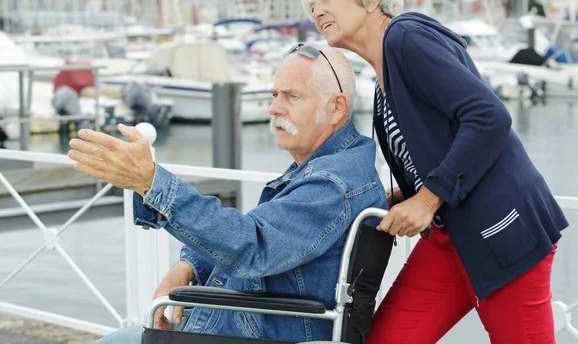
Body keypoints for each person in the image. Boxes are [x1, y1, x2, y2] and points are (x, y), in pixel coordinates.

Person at [298, 0, 569, 344]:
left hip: (501, 231)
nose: (316, 11)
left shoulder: (407, 36)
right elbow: (434, 146)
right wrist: (403, 195)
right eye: (311, 4)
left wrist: (425, 201)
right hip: (448, 238)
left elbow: (488, 117)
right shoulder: (383, 76)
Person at [67, 44, 388, 343]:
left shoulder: (332, 183)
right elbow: (264, 233)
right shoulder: (335, 165)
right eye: (274, 94)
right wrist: (189, 266)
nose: (274, 108)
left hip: (249, 333)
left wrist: (151, 183)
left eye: (292, 96)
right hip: (234, 324)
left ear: (337, 107)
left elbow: (254, 245)